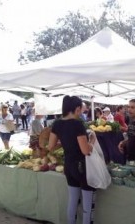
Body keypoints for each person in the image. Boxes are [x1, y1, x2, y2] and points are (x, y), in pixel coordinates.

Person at [48, 95, 96, 224]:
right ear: (77, 108)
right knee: (87, 205)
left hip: (68, 165)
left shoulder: (57, 123)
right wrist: (92, 141)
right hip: (82, 167)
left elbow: (51, 146)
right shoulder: (78, 124)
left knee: (72, 200)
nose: (81, 112)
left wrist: (65, 141)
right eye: (81, 109)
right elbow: (85, 150)